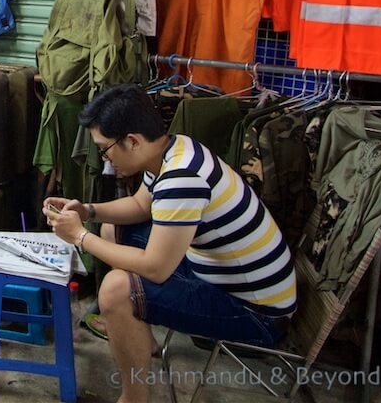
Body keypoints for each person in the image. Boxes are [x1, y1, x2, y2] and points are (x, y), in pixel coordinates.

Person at [44, 84, 296, 403]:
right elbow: (140, 206)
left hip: (257, 312)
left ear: (132, 141)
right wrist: (87, 211)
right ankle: (142, 340)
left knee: (115, 290)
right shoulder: (173, 150)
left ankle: (133, 398)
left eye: (104, 149)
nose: (104, 159)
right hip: (223, 276)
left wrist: (80, 236)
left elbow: (157, 268)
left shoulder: (182, 176)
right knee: (111, 230)